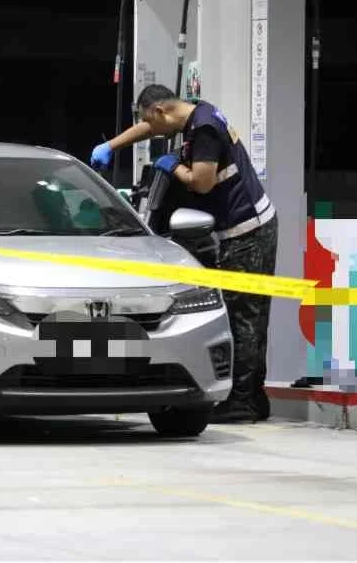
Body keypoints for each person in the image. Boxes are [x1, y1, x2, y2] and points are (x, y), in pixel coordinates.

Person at [90, 84, 278, 423]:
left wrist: (171, 165)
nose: (151, 130)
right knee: (248, 315)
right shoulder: (192, 111)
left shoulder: (203, 130)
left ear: (161, 111)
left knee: (244, 318)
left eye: (151, 120)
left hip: (248, 232)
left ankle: (244, 402)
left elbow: (202, 182)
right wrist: (112, 145)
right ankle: (254, 398)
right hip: (248, 226)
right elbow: (150, 127)